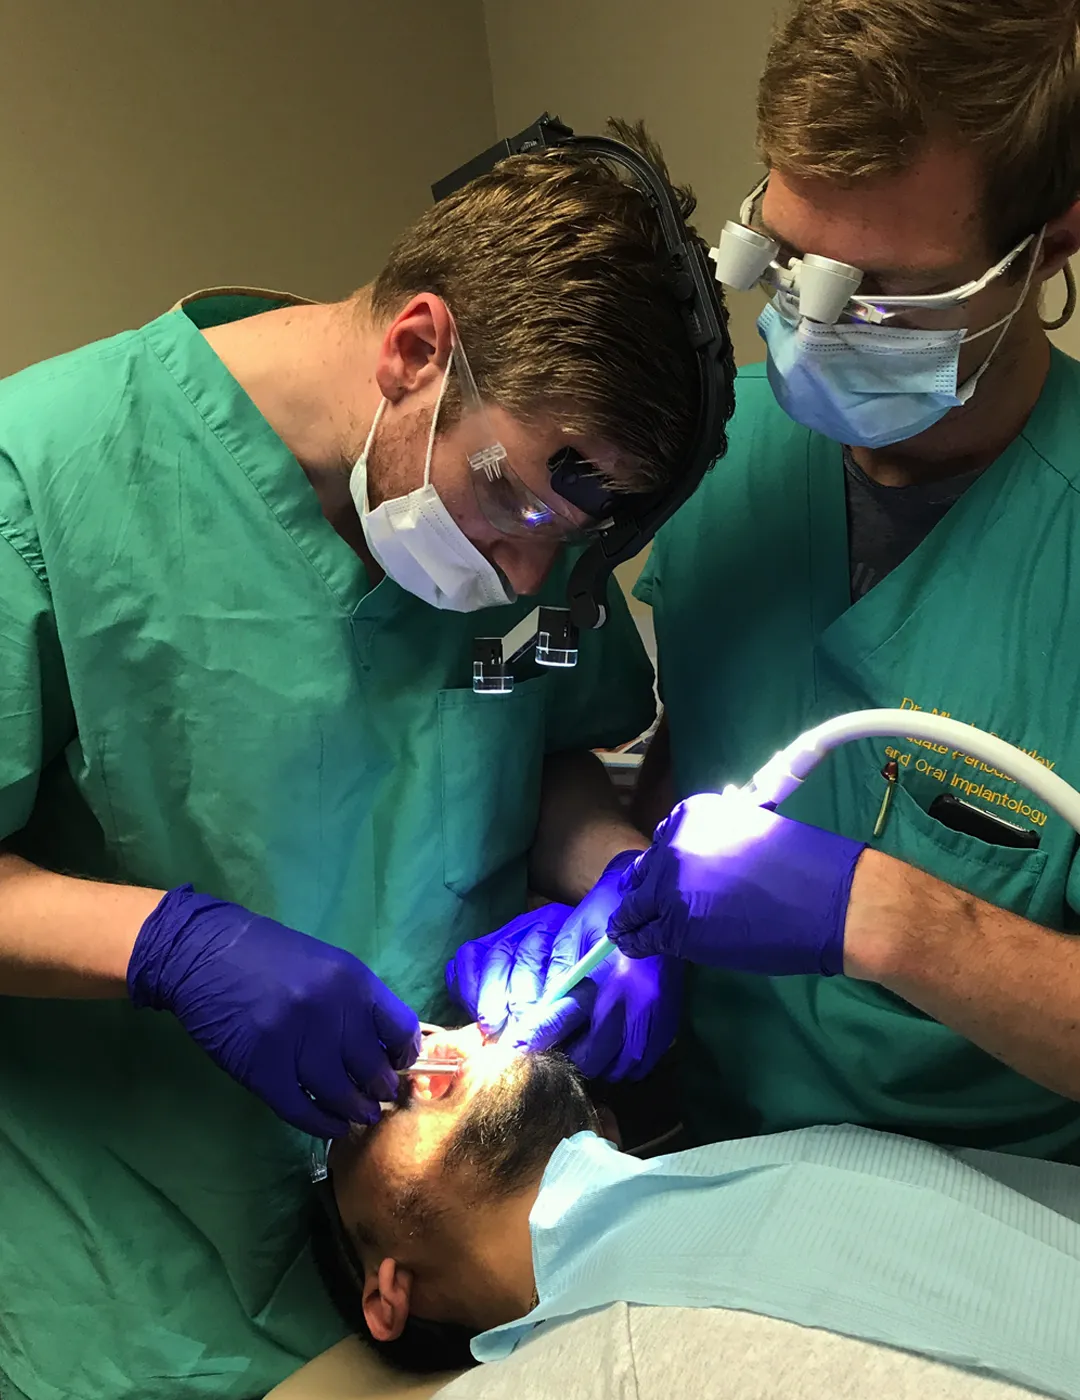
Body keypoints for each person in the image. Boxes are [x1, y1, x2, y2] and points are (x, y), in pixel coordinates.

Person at [0, 123, 710, 1400]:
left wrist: (612, 883)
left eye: (578, 531)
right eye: (521, 506)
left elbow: (545, 736)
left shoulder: (548, 496)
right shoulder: (42, 483)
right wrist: (167, 943)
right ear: (418, 347)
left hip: (457, 1298)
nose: (531, 575)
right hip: (140, 1283)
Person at [451, 0, 1080, 1163]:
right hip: (722, 1164)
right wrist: (632, 905)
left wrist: (898, 922)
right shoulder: (726, 470)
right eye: (785, 260)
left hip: (1006, 1213)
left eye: (880, 290)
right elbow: (703, 753)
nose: (812, 321)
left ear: (1049, 241)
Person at [309, 1023, 1080, 1400]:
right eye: (356, 1111)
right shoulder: (585, 1372)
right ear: (388, 1295)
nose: (422, 1049)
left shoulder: (758, 1163)